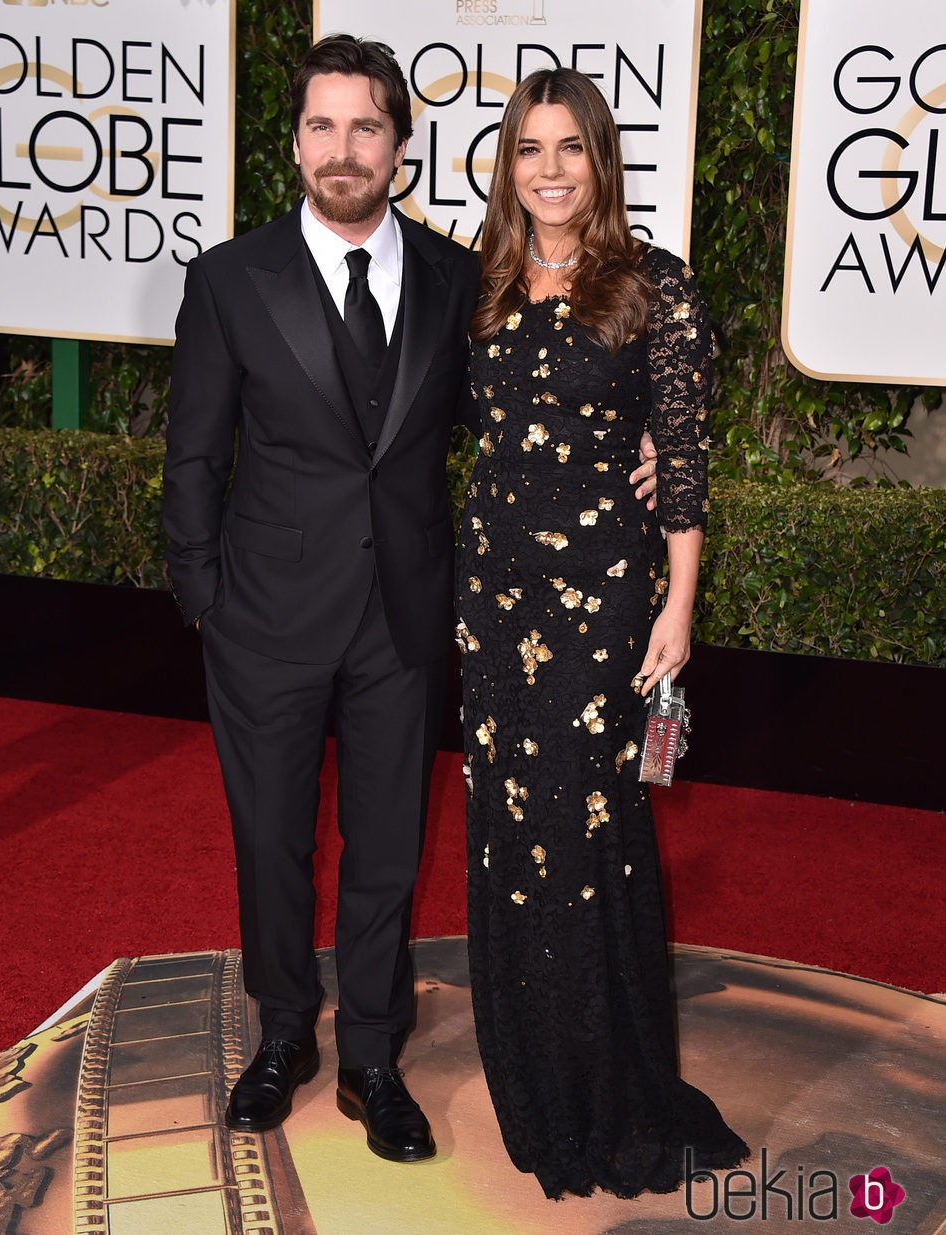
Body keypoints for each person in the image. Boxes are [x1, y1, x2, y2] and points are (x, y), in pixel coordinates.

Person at [161, 34, 482, 1163]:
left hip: (401, 616)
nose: (341, 150)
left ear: (400, 141)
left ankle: (374, 1054)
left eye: (365, 126)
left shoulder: (454, 279)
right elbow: (193, 453)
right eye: (320, 126)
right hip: (264, 616)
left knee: (388, 844)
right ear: (294, 140)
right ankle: (283, 1029)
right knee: (271, 841)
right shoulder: (228, 277)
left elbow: (496, 433)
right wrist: (206, 596)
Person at [456, 67, 750, 1199]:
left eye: (569, 147)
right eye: (529, 149)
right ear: (507, 164)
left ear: (600, 160)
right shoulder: (477, 285)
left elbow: (680, 459)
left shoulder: (652, 287)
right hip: (491, 600)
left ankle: (606, 1088)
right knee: (505, 826)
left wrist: (677, 607)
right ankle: (532, 1082)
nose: (548, 170)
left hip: (603, 603)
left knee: (584, 826)